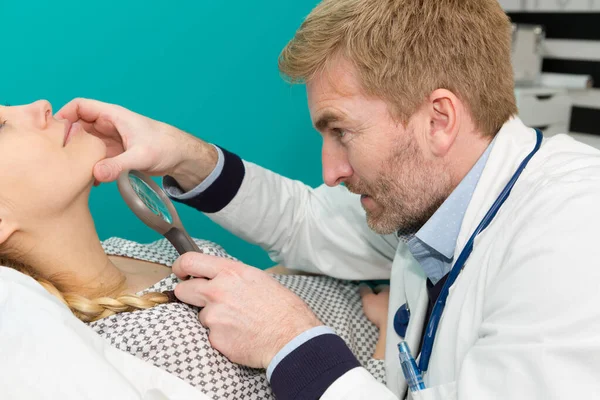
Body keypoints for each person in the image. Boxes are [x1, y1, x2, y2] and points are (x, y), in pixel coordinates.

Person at [57, 0, 600, 398]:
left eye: (342, 132)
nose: (330, 171)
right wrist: (182, 155)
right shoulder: (441, 198)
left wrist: (288, 342)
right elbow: (305, 222)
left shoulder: (575, 231)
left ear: (439, 119)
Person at [0, 101, 388, 399]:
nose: (39, 105)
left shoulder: (118, 251)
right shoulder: (147, 348)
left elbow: (259, 283)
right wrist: (392, 333)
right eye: (2, 125)